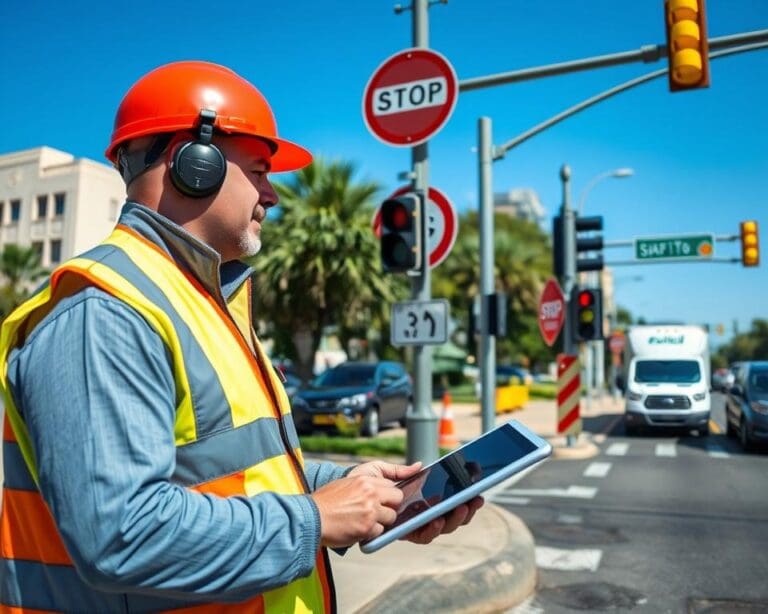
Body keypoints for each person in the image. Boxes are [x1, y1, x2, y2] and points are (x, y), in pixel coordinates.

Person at [0, 61, 482, 612]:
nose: (272, 195)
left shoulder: (198, 299)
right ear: (193, 163)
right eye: (258, 170)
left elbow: (231, 474)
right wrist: (319, 517)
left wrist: (355, 489)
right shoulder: (104, 313)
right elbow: (121, 533)